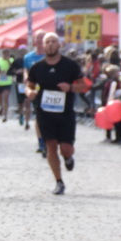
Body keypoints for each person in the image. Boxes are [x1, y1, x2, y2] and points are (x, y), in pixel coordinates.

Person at [25, 32, 89, 195]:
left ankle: (68, 157)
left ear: (59, 44)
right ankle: (59, 182)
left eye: (53, 42)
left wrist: (70, 87)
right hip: (44, 112)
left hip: (65, 113)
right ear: (43, 45)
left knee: (66, 148)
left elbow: (83, 85)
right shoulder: (37, 67)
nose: (50, 45)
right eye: (47, 42)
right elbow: (29, 85)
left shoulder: (70, 65)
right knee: (51, 146)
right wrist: (30, 93)